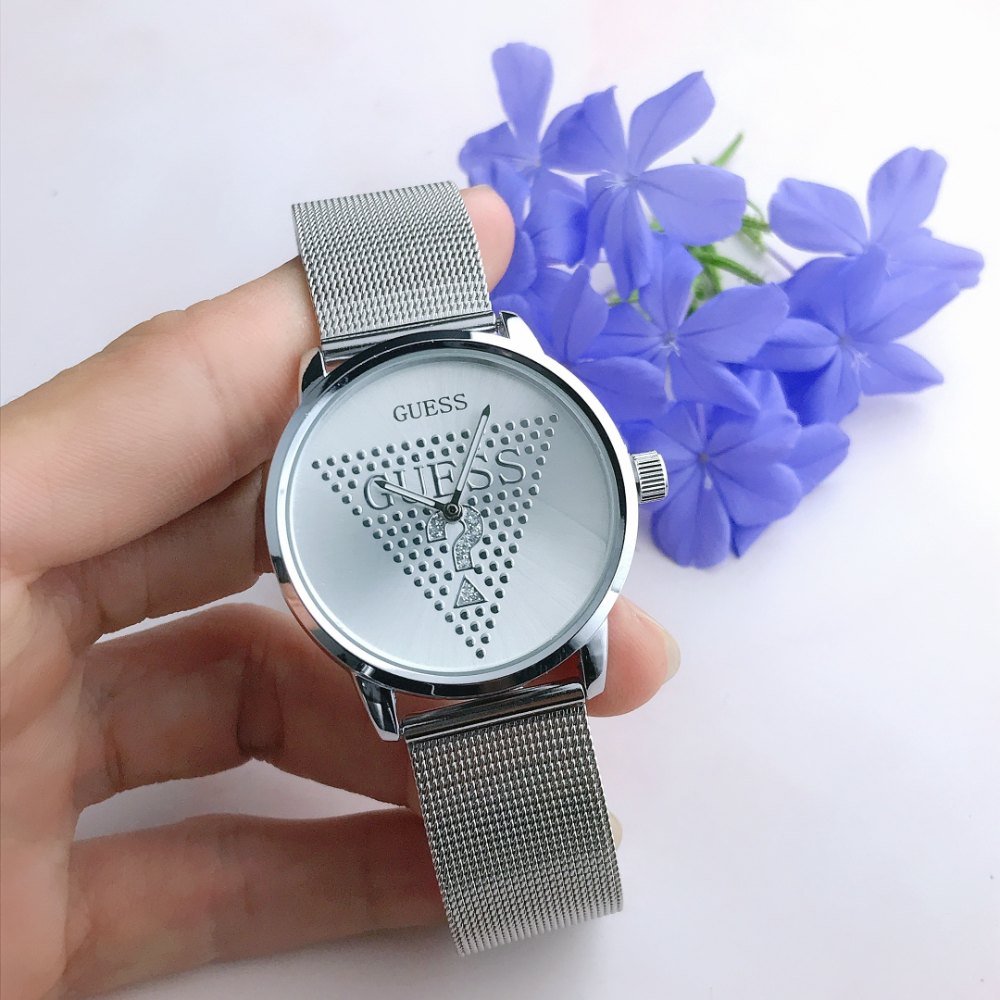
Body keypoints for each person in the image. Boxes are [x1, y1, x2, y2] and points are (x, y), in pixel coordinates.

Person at [0, 187, 680, 998]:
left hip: (522, 630)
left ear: (630, 478)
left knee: (534, 878)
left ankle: (543, 886)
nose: (449, 507)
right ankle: (540, 888)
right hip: (420, 637)